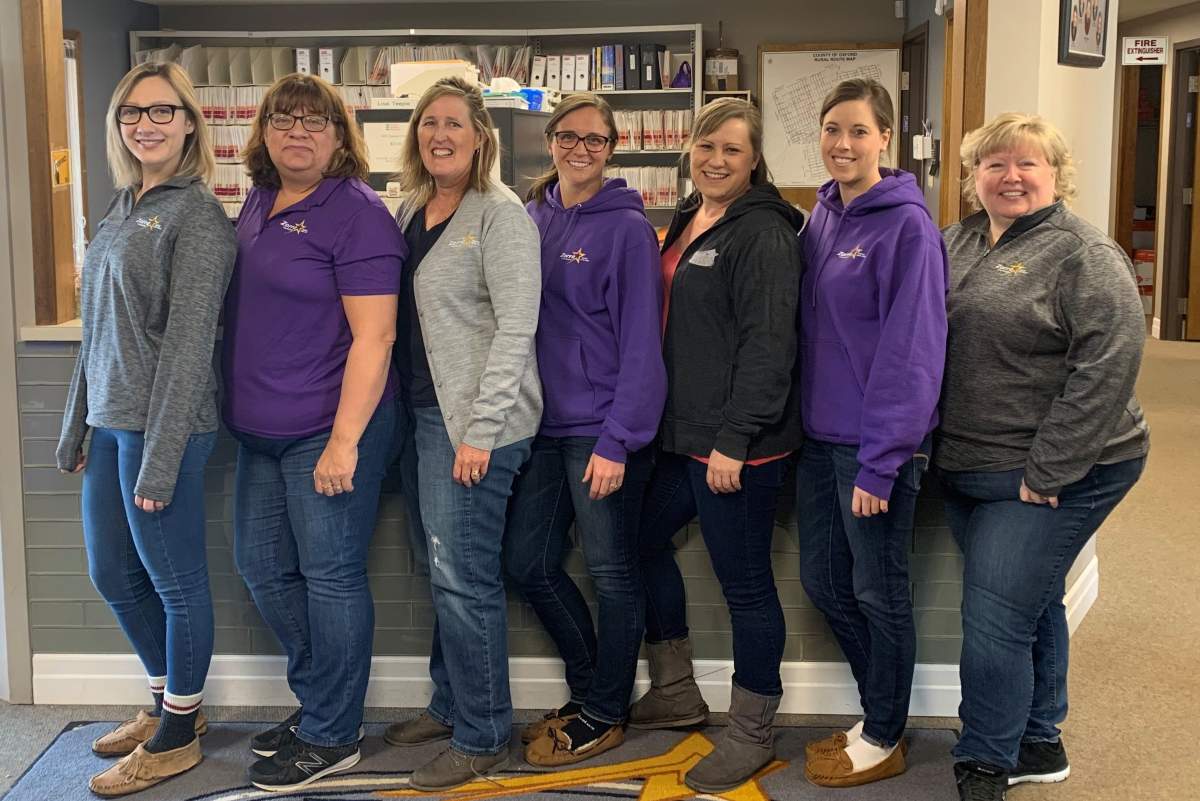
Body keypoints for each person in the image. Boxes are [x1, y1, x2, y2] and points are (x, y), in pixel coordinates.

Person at [938, 113, 1149, 801]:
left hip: (1057, 467)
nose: (1011, 176)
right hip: (971, 460)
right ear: (973, 176)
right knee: (1027, 599)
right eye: (994, 163)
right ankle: (1039, 736)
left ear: (1057, 174)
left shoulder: (1086, 254)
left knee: (995, 611)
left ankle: (985, 759)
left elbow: (1108, 366)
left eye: (1028, 163)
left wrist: (1048, 471)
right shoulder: (957, 240)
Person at [55, 61, 235, 796]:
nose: (147, 123)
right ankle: (169, 701)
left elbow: (191, 350)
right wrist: (76, 425)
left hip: (167, 429)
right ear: (118, 124)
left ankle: (178, 730)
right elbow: (98, 331)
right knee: (111, 573)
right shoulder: (123, 205)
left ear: (189, 123)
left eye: (163, 111)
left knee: (176, 583)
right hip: (111, 424)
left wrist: (157, 462)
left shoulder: (198, 217)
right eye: (133, 112)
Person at [222, 73, 405, 792]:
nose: (298, 130)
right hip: (258, 431)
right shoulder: (260, 199)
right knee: (263, 567)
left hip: (327, 427)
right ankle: (321, 700)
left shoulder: (357, 214)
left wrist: (344, 440)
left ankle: (334, 730)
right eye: (283, 117)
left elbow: (375, 337)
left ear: (339, 136)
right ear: (263, 130)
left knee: (330, 576)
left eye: (316, 120)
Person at [632, 98, 804, 793]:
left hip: (738, 446)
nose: (716, 159)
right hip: (683, 434)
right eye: (707, 146)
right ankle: (674, 687)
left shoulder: (762, 233)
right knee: (637, 540)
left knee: (747, 587)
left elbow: (770, 346)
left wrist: (735, 439)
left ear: (755, 158)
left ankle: (753, 730)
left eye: (732, 149)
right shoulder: (691, 215)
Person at [379, 77, 542, 790]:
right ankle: (450, 705)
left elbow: (517, 329)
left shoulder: (502, 216)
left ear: (481, 136)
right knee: (439, 568)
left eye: (453, 124)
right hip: (421, 417)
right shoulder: (411, 206)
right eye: (428, 124)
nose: (438, 135)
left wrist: (480, 430)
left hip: (476, 426)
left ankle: (483, 735)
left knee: (464, 579)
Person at [504, 93, 666, 766]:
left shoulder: (626, 228)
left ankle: (604, 708)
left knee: (613, 573)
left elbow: (642, 344)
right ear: (550, 141)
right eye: (568, 136)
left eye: (594, 140)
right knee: (527, 563)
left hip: (599, 430)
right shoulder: (532, 216)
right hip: (540, 426)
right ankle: (593, 685)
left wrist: (618, 438)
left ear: (612, 147)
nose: (580, 148)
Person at [795, 79, 948, 788]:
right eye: (832, 130)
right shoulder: (821, 215)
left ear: (885, 137)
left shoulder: (907, 226)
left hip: (874, 447)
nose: (843, 144)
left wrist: (883, 461)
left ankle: (885, 731)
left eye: (858, 130)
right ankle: (876, 712)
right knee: (826, 581)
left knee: (880, 591)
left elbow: (912, 352)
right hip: (820, 438)